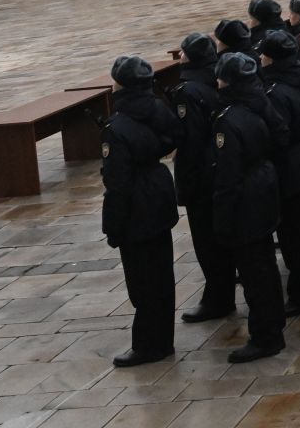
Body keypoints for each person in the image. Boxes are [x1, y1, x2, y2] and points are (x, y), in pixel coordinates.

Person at [102, 55, 181, 367]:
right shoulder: (157, 108)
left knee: (142, 280)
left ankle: (149, 344)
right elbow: (174, 136)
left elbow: (117, 184)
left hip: (136, 203)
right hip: (159, 192)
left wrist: (113, 226)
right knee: (162, 273)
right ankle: (163, 339)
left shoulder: (117, 126)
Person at [213, 51, 286, 362]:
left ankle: (265, 336)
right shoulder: (260, 104)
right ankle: (274, 325)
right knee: (265, 265)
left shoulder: (229, 120)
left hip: (245, 198)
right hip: (264, 186)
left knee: (255, 272)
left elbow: (227, 176)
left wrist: (222, 219)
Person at [257, 30, 300, 317]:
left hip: (289, 166)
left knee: (294, 234)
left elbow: (278, 134)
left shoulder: (275, 90)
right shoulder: (297, 75)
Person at [172, 33, 235, 324]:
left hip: (201, 175)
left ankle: (217, 297)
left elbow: (190, 141)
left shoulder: (188, 91)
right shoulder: (220, 77)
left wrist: (186, 181)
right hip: (222, 166)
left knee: (207, 240)